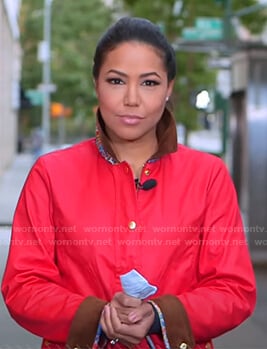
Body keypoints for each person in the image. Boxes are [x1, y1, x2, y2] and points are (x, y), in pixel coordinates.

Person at [1, 16, 256, 349]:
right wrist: (95, 316)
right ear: (96, 83)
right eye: (116, 81)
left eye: (149, 83)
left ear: (169, 89)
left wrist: (159, 315)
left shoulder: (208, 176)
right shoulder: (51, 174)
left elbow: (234, 289)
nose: (132, 99)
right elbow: (23, 285)